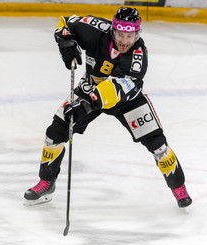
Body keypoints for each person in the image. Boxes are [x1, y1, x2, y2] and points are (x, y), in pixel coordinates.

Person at [24, 7, 192, 208]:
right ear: (113, 30)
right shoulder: (96, 29)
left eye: (129, 36)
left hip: (127, 101)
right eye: (120, 34)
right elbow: (65, 23)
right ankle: (46, 183)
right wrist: (65, 42)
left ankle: (178, 188)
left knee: (158, 145)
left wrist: (85, 105)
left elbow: (117, 89)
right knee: (55, 132)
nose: (124, 41)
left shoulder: (138, 56)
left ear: (137, 34)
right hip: (90, 90)